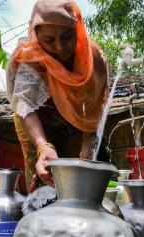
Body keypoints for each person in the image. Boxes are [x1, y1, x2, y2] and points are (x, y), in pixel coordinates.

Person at [6, 0, 109, 191]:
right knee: (47, 177)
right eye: (49, 40)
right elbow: (25, 105)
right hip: (36, 122)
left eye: (67, 37)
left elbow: (98, 104)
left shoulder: (92, 58)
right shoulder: (30, 59)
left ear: (77, 30)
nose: (60, 47)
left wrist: (88, 141)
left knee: (82, 173)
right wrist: (43, 146)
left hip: (79, 122)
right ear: (36, 35)